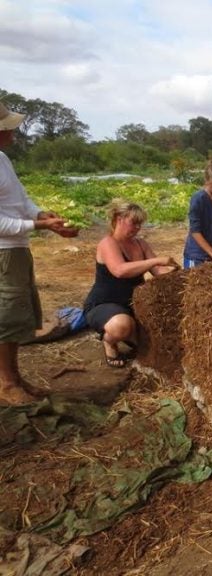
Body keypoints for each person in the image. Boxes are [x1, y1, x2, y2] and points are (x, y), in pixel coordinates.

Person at [0, 102, 78, 405]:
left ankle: (16, 379)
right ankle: (7, 384)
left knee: (18, 316)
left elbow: (20, 199)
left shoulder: (3, 159)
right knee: (6, 318)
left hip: (17, 250)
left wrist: (43, 214)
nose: (13, 132)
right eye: (8, 127)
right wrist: (38, 224)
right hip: (4, 252)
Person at [84, 200, 178, 368]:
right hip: (106, 303)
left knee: (157, 341)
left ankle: (133, 335)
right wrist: (156, 260)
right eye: (133, 223)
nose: (137, 228)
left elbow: (157, 271)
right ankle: (109, 343)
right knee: (122, 326)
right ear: (119, 219)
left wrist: (177, 271)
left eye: (139, 224)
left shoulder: (141, 244)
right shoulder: (108, 243)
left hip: (134, 305)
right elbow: (119, 270)